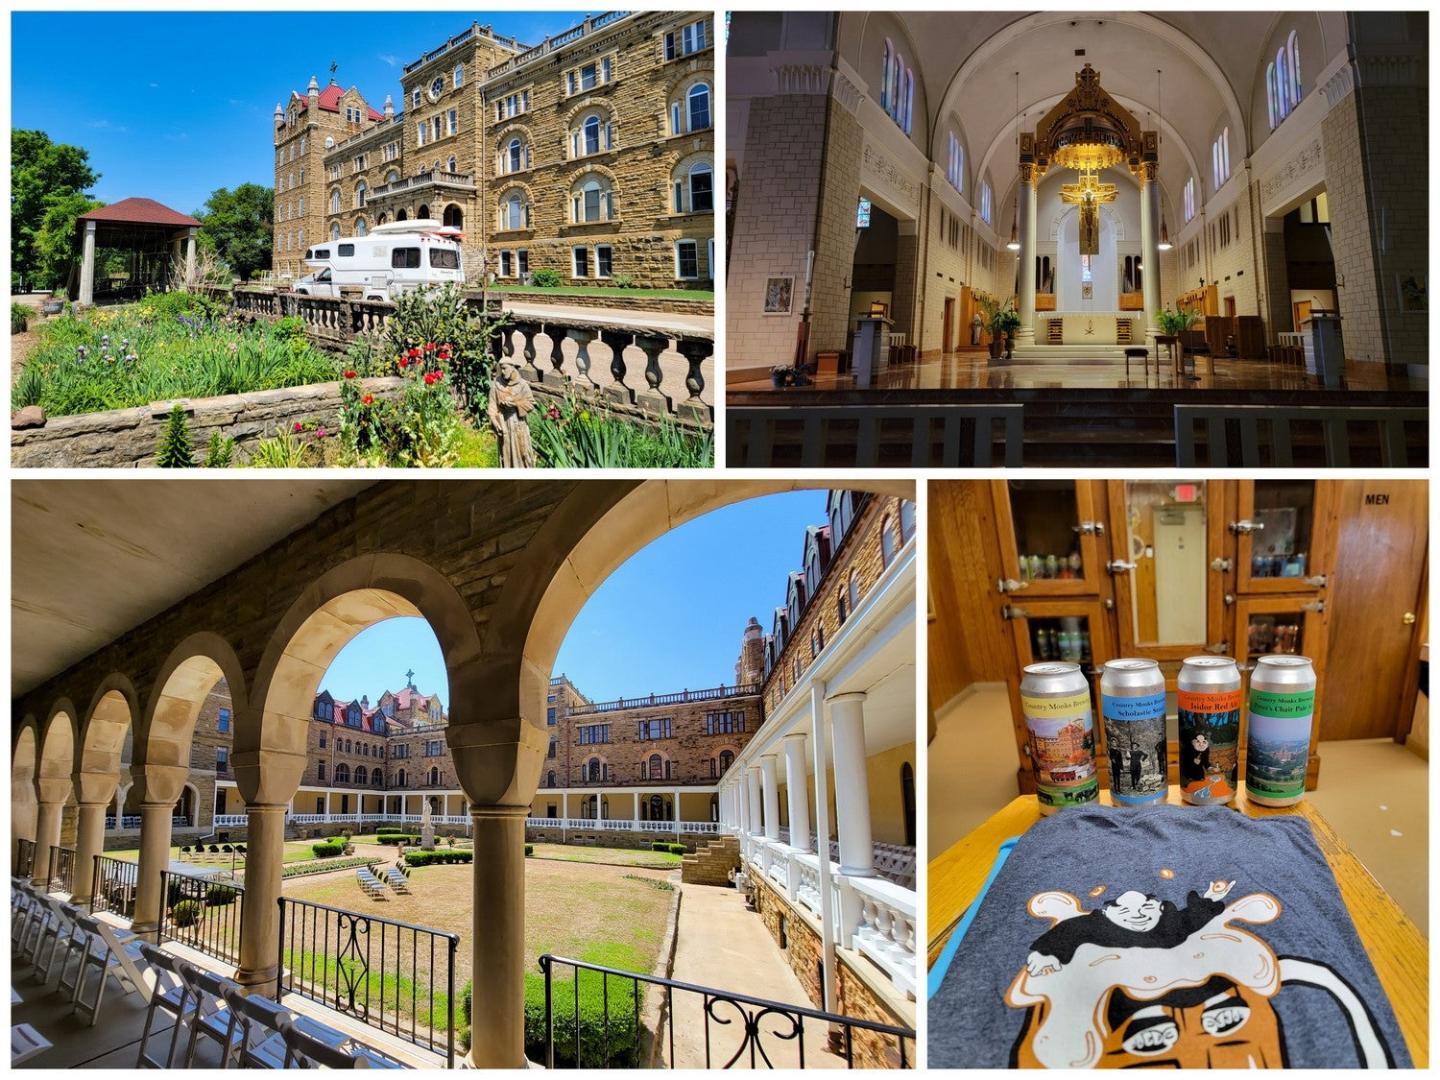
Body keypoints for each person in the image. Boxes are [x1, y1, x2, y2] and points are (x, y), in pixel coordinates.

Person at [487, 357, 538, 467]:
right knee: (506, 452)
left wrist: (515, 404)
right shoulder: (497, 384)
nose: (503, 371)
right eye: (501, 369)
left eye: (505, 368)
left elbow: (531, 404)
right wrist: (494, 421)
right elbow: (492, 406)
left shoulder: (522, 385)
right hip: (504, 425)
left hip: (519, 424)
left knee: (523, 452)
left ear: (512, 367)